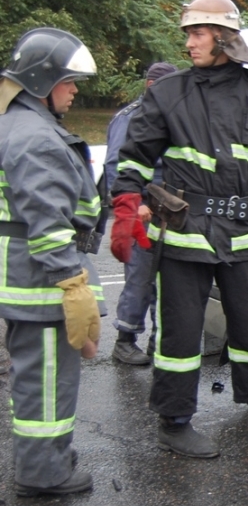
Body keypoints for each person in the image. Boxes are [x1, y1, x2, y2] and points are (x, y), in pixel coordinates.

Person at [110, 0, 248, 458]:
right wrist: (125, 212)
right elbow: (134, 161)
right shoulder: (167, 93)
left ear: (225, 37)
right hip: (185, 232)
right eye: (187, 33)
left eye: (197, 33)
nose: (188, 43)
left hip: (242, 232)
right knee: (181, 333)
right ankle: (175, 420)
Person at [0, 28, 105, 496]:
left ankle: (48, 457)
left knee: (39, 380)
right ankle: (44, 474)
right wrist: (73, 283)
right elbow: (45, 223)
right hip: (42, 285)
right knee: (45, 384)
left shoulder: (16, 124)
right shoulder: (36, 139)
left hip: (28, 280)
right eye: (68, 80)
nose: (75, 89)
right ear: (43, 82)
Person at [104, 62, 177, 365]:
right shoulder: (130, 117)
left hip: (167, 212)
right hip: (143, 211)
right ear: (151, 87)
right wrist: (134, 206)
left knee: (166, 280)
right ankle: (125, 340)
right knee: (140, 278)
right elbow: (114, 165)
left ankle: (157, 343)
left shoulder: (162, 116)